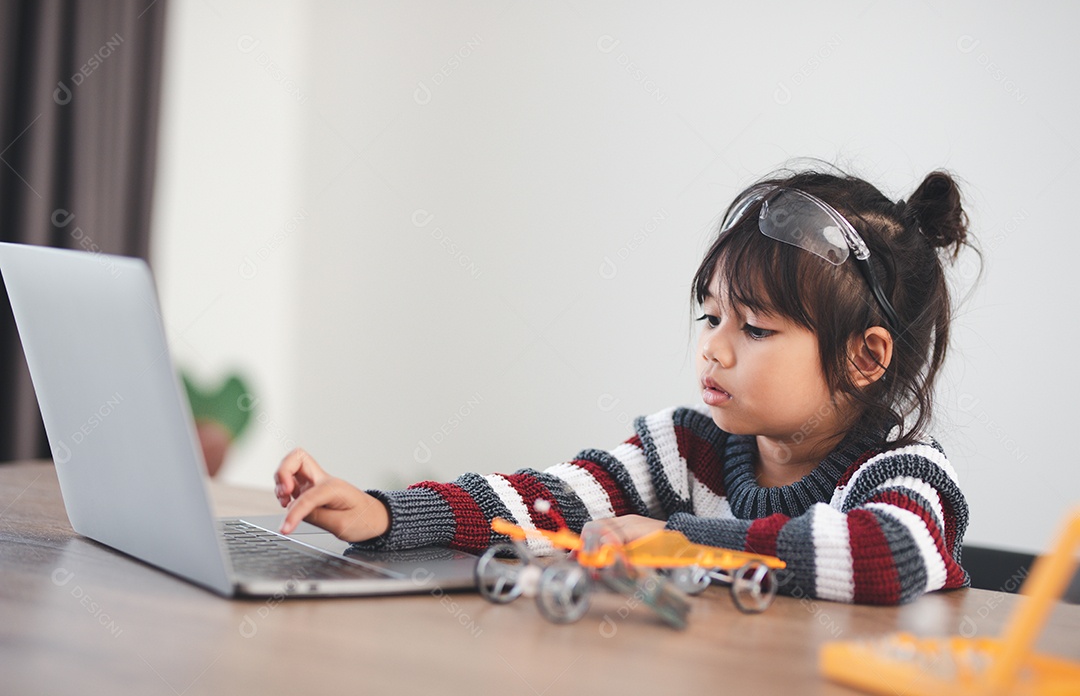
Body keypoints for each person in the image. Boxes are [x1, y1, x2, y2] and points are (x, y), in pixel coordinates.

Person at [274, 164, 973, 605]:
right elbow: (547, 499)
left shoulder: (904, 472)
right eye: (711, 317)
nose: (713, 350)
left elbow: (889, 555)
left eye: (754, 329)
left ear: (866, 358)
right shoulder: (684, 446)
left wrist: (680, 542)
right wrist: (386, 515)